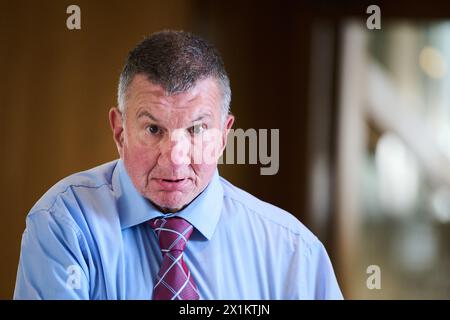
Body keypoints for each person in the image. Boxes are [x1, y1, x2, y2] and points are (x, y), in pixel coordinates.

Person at [14, 30, 343, 300]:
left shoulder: (294, 253)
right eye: (153, 129)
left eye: (197, 130)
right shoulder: (64, 225)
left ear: (224, 135)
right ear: (119, 131)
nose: (174, 158)